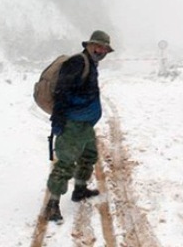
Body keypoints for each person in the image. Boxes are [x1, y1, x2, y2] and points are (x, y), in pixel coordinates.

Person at [43, 30, 114, 223]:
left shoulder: (91, 64)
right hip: (72, 124)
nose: (101, 50)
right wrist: (59, 120)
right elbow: (61, 92)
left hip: (85, 124)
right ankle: (52, 205)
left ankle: (80, 190)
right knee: (65, 163)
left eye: (104, 48)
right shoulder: (78, 63)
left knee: (89, 156)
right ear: (89, 45)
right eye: (98, 46)